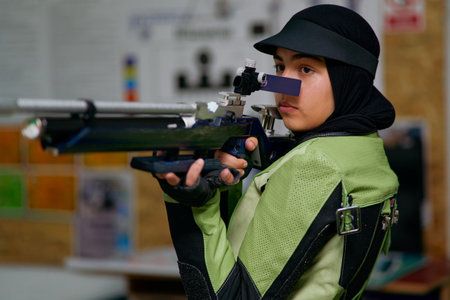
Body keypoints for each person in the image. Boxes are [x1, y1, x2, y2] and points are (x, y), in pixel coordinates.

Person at [154, 4, 399, 299]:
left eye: (306, 69)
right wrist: (223, 185)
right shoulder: (363, 148)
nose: (285, 86)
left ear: (348, 79)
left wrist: (196, 202)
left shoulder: (315, 163)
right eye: (280, 67)